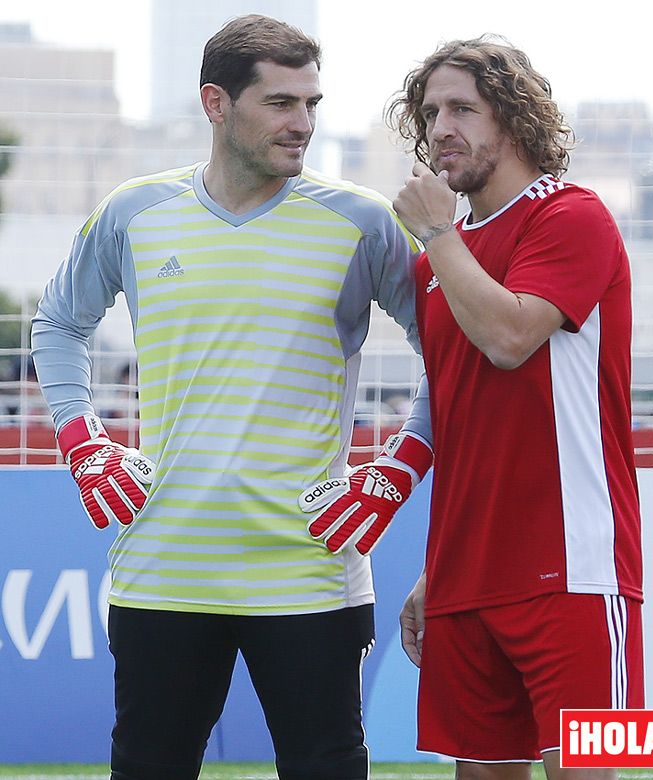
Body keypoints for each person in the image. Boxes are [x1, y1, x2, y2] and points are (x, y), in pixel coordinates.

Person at [30, 15, 428, 780]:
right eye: (281, 103)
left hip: (312, 568)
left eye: (312, 103)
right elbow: (58, 323)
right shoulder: (134, 212)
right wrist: (82, 441)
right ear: (216, 103)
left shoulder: (363, 221)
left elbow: (451, 362)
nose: (303, 123)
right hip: (163, 565)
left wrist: (398, 467)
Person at [307, 34, 644, 780]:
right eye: (430, 113)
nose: (440, 129)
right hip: (465, 577)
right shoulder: (436, 265)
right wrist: (440, 568)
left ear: (515, 119)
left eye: (463, 108)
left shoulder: (573, 216)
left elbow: (510, 337)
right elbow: (456, 397)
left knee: (588, 772)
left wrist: (435, 231)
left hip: (576, 570)